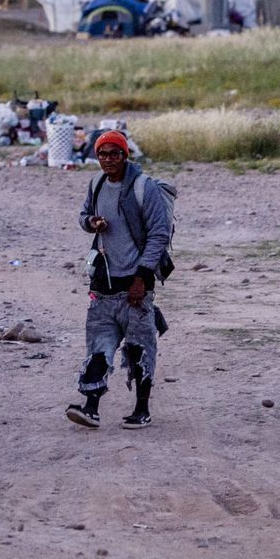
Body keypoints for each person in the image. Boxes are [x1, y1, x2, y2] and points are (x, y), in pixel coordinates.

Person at [66, 130, 173, 430]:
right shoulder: (96, 183)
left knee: (139, 348)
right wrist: (91, 223)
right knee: (98, 346)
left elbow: (159, 234)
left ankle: (141, 410)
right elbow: (83, 215)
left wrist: (143, 276)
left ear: (125, 155)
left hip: (135, 285)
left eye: (115, 153)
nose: (108, 159)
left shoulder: (143, 187)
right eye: (103, 153)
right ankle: (90, 408)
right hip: (103, 281)